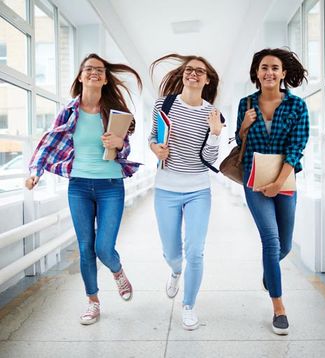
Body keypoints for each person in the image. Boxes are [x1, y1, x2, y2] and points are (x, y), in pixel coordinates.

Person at [25, 53, 142, 325]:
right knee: (85, 247)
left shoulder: (115, 112)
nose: (94, 73)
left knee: (104, 247)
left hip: (111, 186)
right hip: (78, 186)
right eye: (89, 69)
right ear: (80, 76)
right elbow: (48, 142)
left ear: (104, 79)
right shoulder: (68, 111)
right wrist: (35, 172)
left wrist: (118, 142)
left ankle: (117, 270)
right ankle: (93, 302)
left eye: (99, 70)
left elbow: (124, 150)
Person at [235, 48, 309, 335]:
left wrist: (279, 182)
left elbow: (297, 146)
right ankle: (279, 306)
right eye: (264, 67)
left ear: (283, 73)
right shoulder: (246, 103)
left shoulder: (296, 106)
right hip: (254, 179)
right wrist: (243, 127)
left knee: (285, 246)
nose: (269, 72)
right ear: (256, 72)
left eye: (275, 68)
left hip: (285, 180)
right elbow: (243, 141)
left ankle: (270, 271)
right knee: (271, 240)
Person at [148, 53, 224, 330]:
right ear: (182, 75)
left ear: (207, 80)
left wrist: (215, 132)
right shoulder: (163, 104)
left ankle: (189, 304)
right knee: (171, 252)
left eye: (200, 72)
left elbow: (209, 158)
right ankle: (175, 270)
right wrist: (156, 148)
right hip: (166, 187)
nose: (194, 74)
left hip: (198, 190)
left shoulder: (212, 114)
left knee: (195, 251)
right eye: (189, 70)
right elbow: (153, 138)